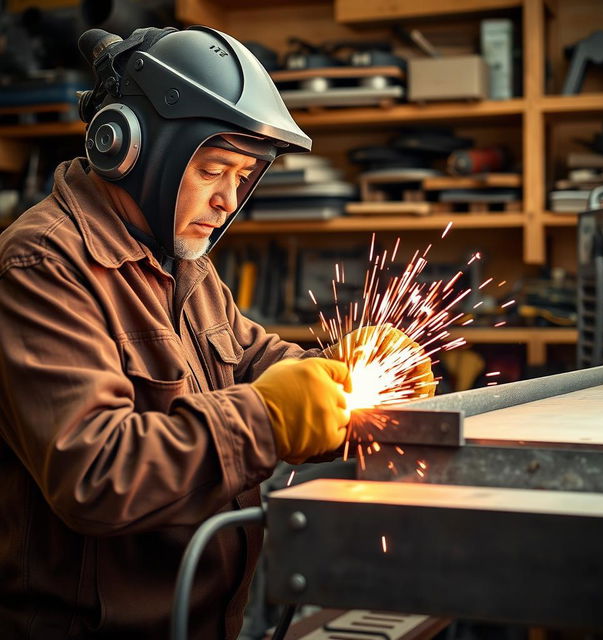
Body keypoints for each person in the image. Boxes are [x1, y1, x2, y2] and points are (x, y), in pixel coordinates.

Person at [0, 26, 433, 639]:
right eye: (213, 171)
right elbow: (96, 473)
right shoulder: (44, 265)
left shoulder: (182, 263)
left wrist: (344, 368)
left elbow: (256, 360)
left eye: (243, 176)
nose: (229, 200)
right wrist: (269, 419)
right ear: (125, 149)